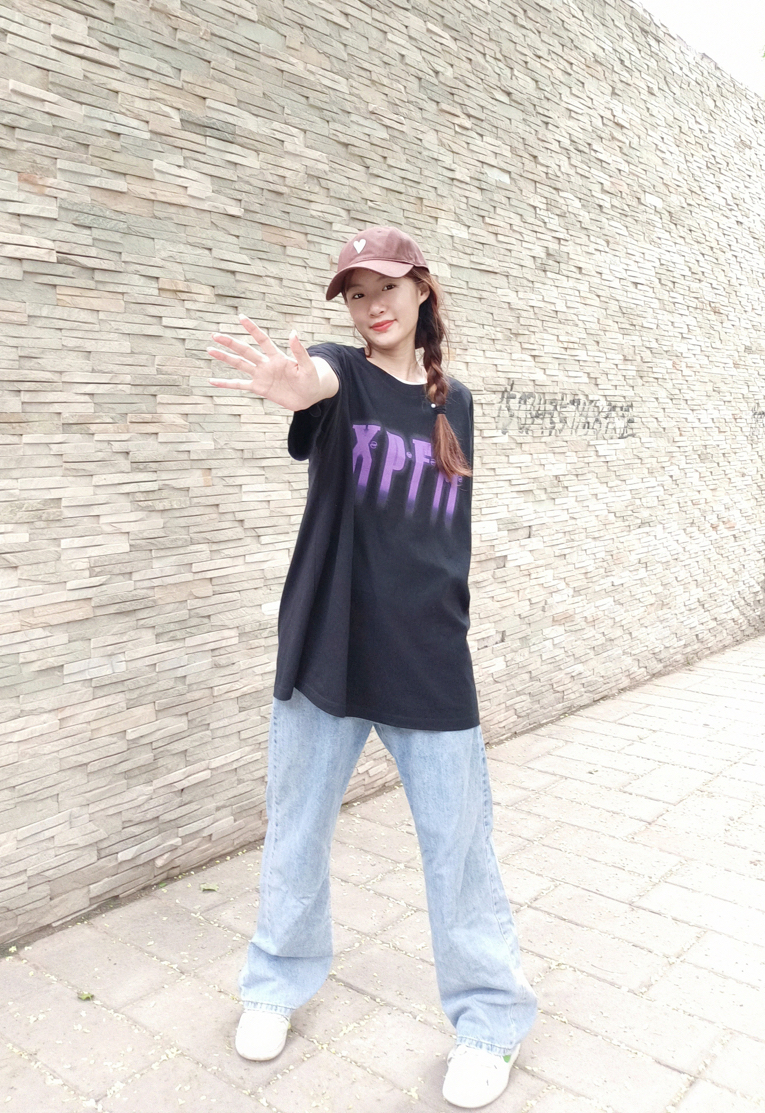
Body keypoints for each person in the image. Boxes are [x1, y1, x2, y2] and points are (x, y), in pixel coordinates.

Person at [206, 226, 536, 1109]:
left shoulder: (456, 404)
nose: (371, 305)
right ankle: (274, 985)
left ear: (421, 289)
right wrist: (295, 386)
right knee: (297, 829)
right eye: (355, 294)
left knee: (458, 848)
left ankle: (490, 1022)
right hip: (328, 644)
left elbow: (444, 537)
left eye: (384, 286)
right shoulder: (340, 376)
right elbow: (312, 377)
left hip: (427, 656)